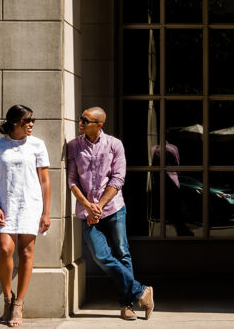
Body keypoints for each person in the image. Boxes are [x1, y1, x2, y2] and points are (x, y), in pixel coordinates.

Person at [67, 107, 155, 321]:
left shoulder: (115, 145)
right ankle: (142, 291)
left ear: (99, 125)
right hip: (87, 211)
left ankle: (127, 305)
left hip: (114, 208)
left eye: (85, 120)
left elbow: (118, 179)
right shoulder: (73, 146)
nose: (80, 122)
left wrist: (98, 205)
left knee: (122, 253)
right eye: (81, 118)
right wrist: (89, 206)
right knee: (101, 255)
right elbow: (72, 180)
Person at [0, 104, 51, 327]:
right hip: (6, 205)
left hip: (31, 205)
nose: (31, 124)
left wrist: (46, 213)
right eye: (27, 120)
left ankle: (19, 304)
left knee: (25, 252)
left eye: (33, 120)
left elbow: (45, 182)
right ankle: (7, 298)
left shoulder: (37, 145)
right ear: (15, 122)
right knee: (5, 249)